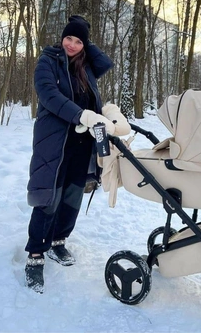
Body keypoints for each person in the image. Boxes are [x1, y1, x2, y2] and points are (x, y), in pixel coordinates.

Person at [24, 15, 120, 294]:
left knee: (73, 194)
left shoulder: (88, 67)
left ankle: (58, 241)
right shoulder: (48, 61)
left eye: (79, 41)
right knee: (48, 197)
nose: (72, 44)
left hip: (83, 144)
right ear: (61, 38)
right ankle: (35, 255)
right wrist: (81, 115)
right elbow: (49, 95)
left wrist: (86, 37)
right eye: (69, 38)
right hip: (55, 142)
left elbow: (106, 63)